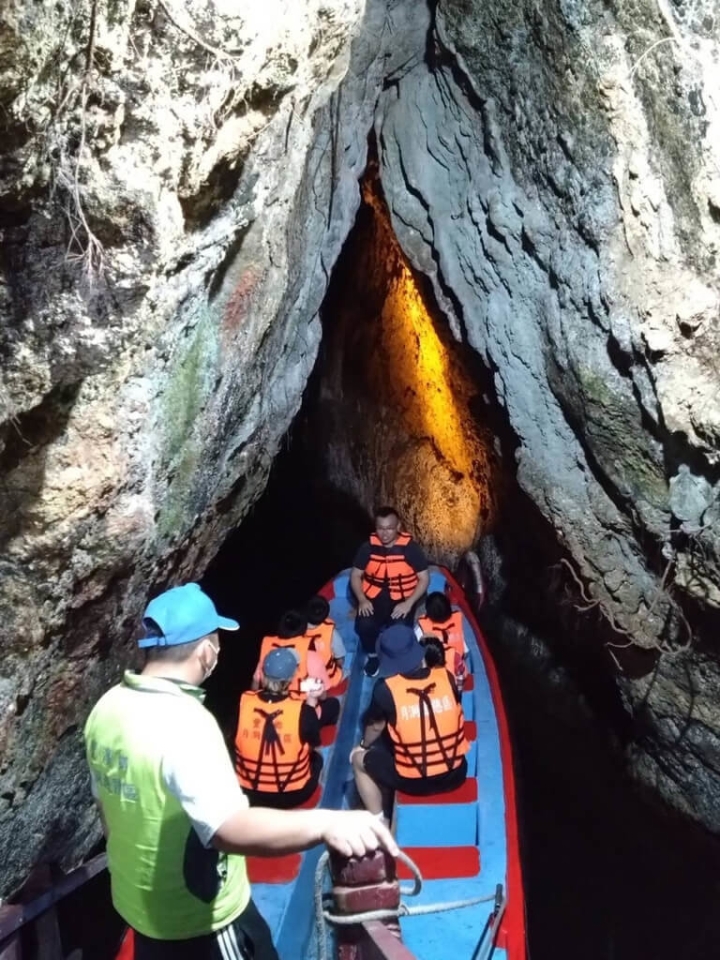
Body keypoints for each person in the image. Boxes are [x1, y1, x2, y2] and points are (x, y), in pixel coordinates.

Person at [84, 583, 397, 960]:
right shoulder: (186, 721)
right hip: (202, 919)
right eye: (216, 641)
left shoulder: (107, 708)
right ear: (205, 650)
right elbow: (228, 828)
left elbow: (108, 809)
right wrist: (326, 823)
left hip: (140, 912)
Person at [350, 623, 468, 818]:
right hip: (455, 774)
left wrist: (363, 745)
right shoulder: (446, 676)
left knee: (357, 760)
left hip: (413, 782)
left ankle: (378, 821)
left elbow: (375, 727)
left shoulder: (384, 689)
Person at [235, 649, 324, 810]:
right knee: (317, 758)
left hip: (248, 793)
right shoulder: (303, 711)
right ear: (291, 678)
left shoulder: (243, 703)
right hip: (293, 794)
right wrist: (312, 700)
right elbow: (314, 744)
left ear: (262, 674)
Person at [350, 506, 429, 677]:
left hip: (401, 600)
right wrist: (362, 600)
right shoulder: (367, 548)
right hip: (373, 598)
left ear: (398, 526)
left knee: (399, 630)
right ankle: (373, 655)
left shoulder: (410, 549)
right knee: (364, 624)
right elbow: (355, 575)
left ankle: (401, 664)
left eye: (389, 528)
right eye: (380, 528)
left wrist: (409, 603)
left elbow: (424, 578)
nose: (384, 534)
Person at [253, 611, 339, 727]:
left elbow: (254, 688)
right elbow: (323, 696)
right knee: (333, 704)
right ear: (304, 631)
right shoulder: (311, 657)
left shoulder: (269, 657)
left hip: (271, 710)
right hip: (300, 716)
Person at [416, 592, 468, 685]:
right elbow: (465, 651)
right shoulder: (457, 621)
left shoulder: (422, 629)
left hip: (435, 674)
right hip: (456, 671)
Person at [304, 595, 345, 689]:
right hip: (326, 675)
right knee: (344, 667)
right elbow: (340, 657)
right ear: (326, 614)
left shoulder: (299, 628)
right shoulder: (331, 633)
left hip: (305, 676)